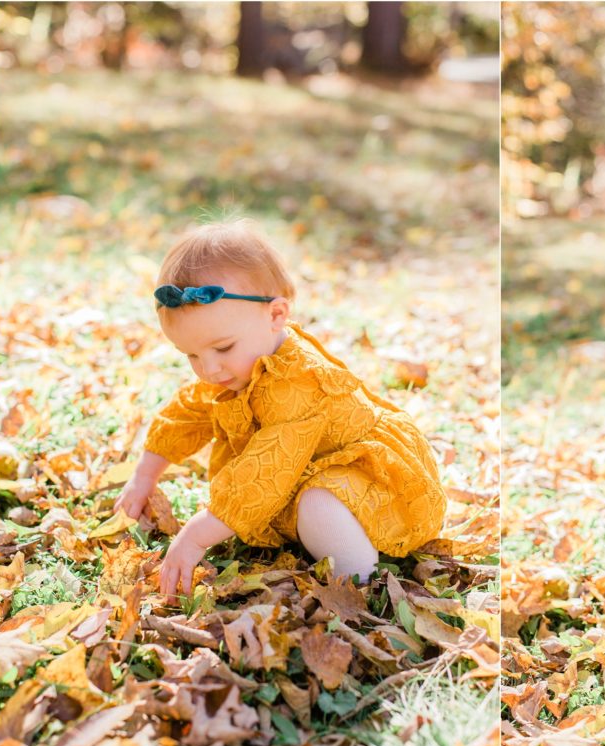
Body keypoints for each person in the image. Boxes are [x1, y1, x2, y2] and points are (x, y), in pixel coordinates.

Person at [115, 220, 447, 601]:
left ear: (276, 315)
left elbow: (266, 470)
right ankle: (315, 543)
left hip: (367, 477)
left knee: (319, 505)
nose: (208, 369)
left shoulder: (299, 381)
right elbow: (189, 411)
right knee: (301, 503)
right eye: (191, 354)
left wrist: (196, 536)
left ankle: (359, 580)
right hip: (301, 472)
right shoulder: (237, 367)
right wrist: (144, 476)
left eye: (222, 349)